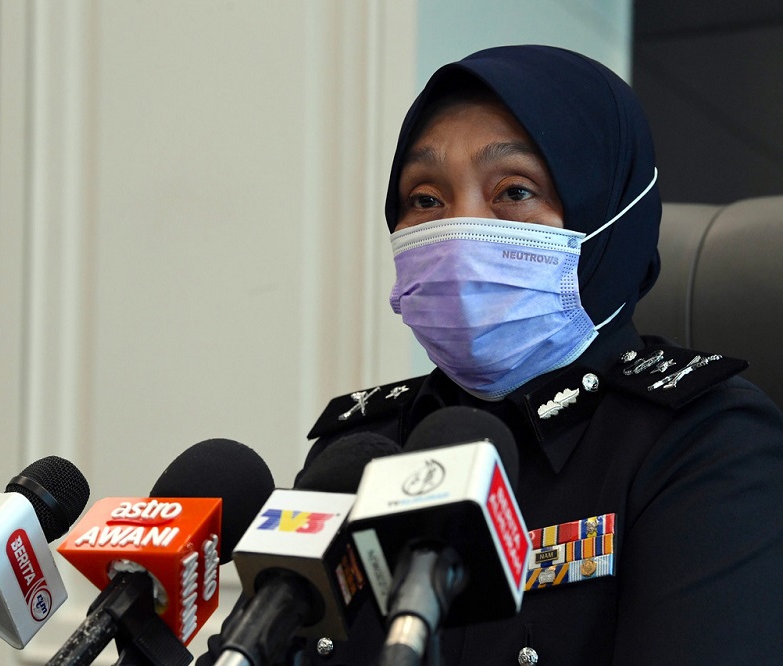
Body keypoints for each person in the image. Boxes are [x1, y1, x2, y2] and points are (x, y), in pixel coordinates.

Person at [204, 44, 783, 665]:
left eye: (513, 190)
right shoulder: (357, 453)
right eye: (425, 199)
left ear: (610, 222)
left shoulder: (704, 440)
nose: (458, 232)